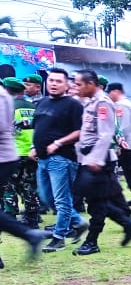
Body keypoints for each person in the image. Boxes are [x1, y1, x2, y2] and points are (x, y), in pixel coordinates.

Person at [70, 69, 131, 255]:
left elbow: (105, 134)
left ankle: (92, 241)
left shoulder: (102, 103)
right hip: (90, 158)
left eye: (79, 84)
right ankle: (128, 223)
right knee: (98, 198)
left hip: (98, 160)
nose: (76, 87)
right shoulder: (90, 102)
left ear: (91, 84)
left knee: (96, 202)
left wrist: (95, 159)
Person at [31, 68, 88, 252]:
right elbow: (38, 127)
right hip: (42, 158)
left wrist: (58, 142)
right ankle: (78, 222)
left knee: (62, 200)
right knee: (46, 198)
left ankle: (59, 237)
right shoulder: (42, 103)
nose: (54, 84)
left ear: (66, 85)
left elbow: (79, 132)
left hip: (62, 158)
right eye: (51, 80)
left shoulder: (73, 105)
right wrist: (33, 147)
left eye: (58, 81)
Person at [0, 80, 48, 267]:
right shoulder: (25, 103)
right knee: (27, 189)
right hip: (19, 154)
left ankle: (29, 233)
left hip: (4, 157)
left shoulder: (2, 97)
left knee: (12, 194)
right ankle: (30, 232)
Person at [1, 78, 42, 230]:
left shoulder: (8, 106)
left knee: (8, 187)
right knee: (29, 186)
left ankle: (10, 216)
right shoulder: (33, 107)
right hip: (31, 152)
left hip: (13, 153)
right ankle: (33, 217)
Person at [106, 82, 131, 206]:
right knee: (127, 170)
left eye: (109, 92)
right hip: (126, 143)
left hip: (126, 143)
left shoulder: (123, 105)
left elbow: (123, 127)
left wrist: (119, 144)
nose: (109, 95)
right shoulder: (124, 104)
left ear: (116, 91)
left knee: (128, 170)